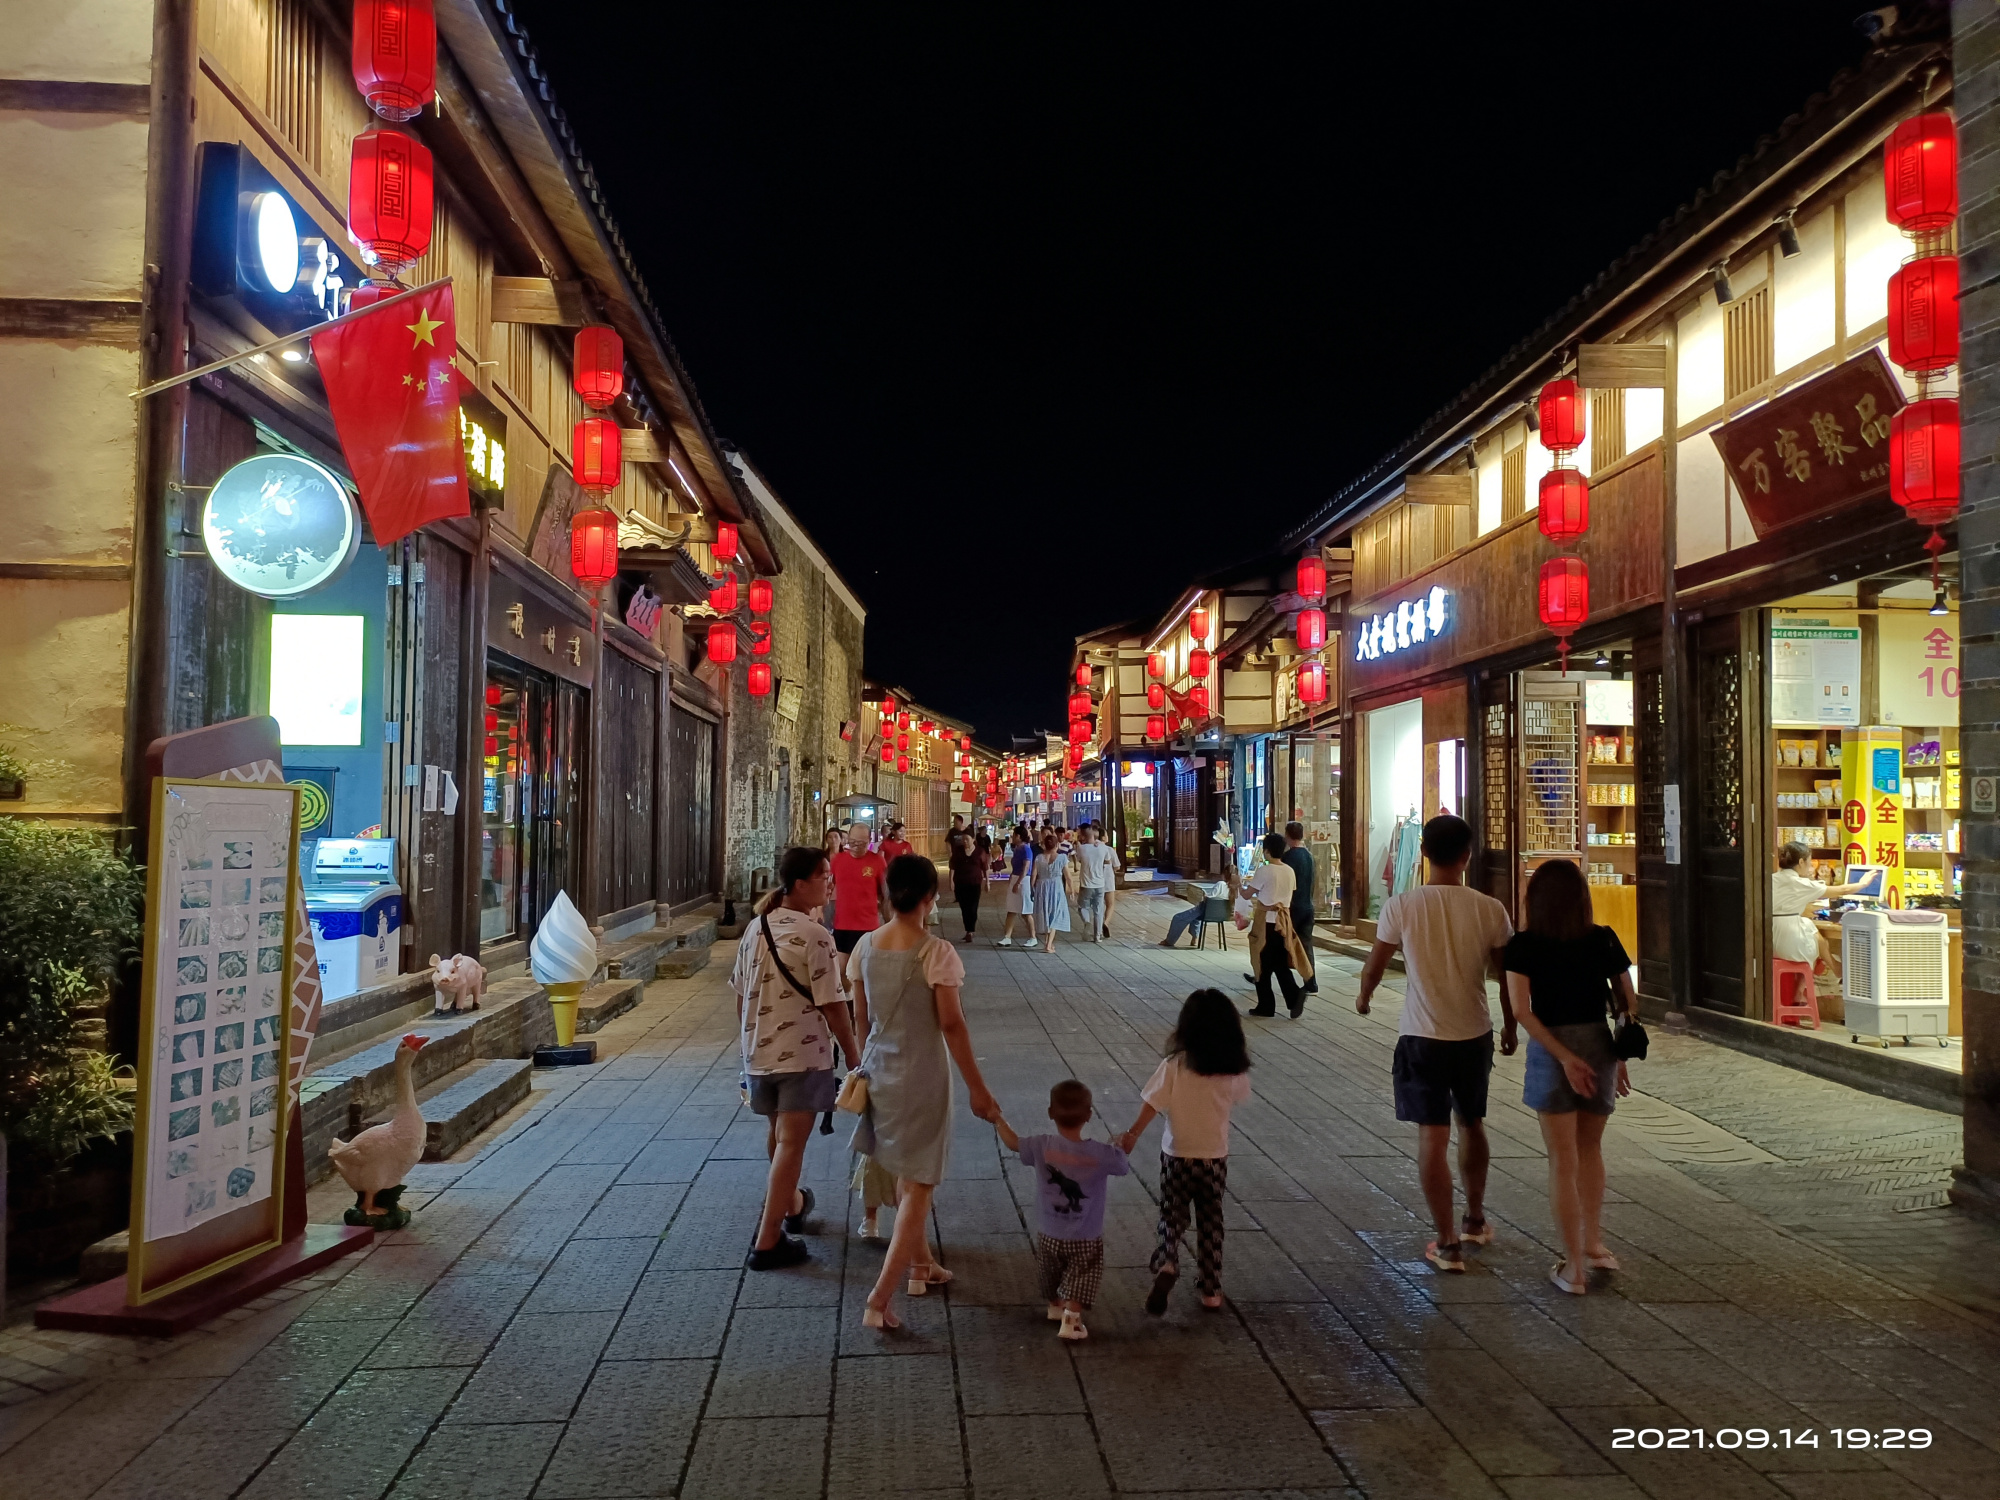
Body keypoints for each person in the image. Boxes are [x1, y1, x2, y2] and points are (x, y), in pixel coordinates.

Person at [1354, 814, 1516, 1273]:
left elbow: (1375, 964)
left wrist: (1364, 998)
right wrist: (1509, 1026)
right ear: (1467, 857)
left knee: (1432, 1135)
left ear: (1422, 853)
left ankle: (1447, 1244)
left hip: (1421, 1036)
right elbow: (1505, 978)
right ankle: (1475, 1218)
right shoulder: (1490, 910)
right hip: (1474, 1034)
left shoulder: (1402, 906)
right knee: (1472, 1123)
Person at [848, 854, 1001, 1329]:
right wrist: (979, 1089)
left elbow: (860, 1019)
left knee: (900, 1172)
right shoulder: (937, 953)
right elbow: (952, 1026)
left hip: (878, 1072)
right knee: (919, 1186)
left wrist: (860, 1064)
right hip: (922, 1077)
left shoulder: (865, 947)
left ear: (887, 894)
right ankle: (879, 1298)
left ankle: (922, 1263)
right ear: (930, 899)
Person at [1504, 858, 1639, 1295]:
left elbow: (1522, 1010)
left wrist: (1562, 1057)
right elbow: (1626, 1000)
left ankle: (1574, 1268)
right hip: (1598, 1045)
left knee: (1562, 1159)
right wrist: (1616, 1058)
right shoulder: (1601, 939)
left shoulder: (1523, 945)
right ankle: (1596, 1243)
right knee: (1591, 1148)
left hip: (1550, 1050)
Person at [732, 846, 862, 1270]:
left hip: (758, 1053)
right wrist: (855, 1056)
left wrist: (748, 1041)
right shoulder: (814, 935)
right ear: (800, 884)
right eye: (824, 876)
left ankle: (792, 1205)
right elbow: (833, 1003)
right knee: (791, 1143)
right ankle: (768, 1240)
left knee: (778, 1136)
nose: (830, 883)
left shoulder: (756, 927)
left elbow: (740, 992)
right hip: (802, 1053)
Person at [1119, 989, 1252, 1314]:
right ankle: (1211, 1290)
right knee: (1211, 1222)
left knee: (1172, 1215)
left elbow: (1152, 1102)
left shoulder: (1175, 1065)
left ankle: (1167, 1260)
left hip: (1177, 1156)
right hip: (1214, 1158)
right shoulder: (1233, 1069)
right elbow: (1240, 1097)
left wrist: (1133, 1133)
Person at [991, 1080, 1130, 1341]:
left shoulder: (1041, 1146)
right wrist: (1120, 1145)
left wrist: (997, 1118)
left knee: (1050, 1272)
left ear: (1050, 1112)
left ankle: (1055, 1305)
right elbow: (1122, 1165)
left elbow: (1013, 1143)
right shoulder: (1101, 1154)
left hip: (1049, 1231)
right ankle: (1071, 1320)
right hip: (1085, 1235)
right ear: (1089, 1116)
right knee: (1082, 1275)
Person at [1243, 832, 1312, 1017]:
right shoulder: (1289, 870)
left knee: (1262, 963)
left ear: (1266, 851)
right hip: (1284, 922)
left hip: (1266, 922)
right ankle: (1293, 996)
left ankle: (1267, 1005)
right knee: (1279, 963)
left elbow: (1247, 894)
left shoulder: (1264, 870)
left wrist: (1236, 886)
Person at [1771, 841, 1869, 971]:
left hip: (1770, 943)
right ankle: (1832, 968)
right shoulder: (1801, 883)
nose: (1811, 866)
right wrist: (1863, 883)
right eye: (1809, 861)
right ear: (1801, 862)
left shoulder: (1771, 878)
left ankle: (1828, 970)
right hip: (1791, 945)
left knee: (1808, 925)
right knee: (1816, 935)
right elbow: (1842, 890)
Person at [831, 821, 889, 956]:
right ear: (848, 839)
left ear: (869, 840)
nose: (856, 847)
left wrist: (888, 920)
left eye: (862, 843)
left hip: (868, 924)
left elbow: (885, 893)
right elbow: (828, 887)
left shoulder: (877, 861)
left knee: (865, 966)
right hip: (842, 923)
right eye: (853, 842)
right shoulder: (837, 860)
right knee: (842, 967)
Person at [1281, 822, 1318, 994]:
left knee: (1281, 943)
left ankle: (1262, 974)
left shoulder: (1288, 858)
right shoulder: (1309, 856)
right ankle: (1311, 981)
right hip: (1308, 906)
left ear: (1288, 835)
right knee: (1306, 944)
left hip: (1293, 907)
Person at [1159, 871, 1233, 948]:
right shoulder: (1234, 888)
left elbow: (1211, 897)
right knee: (1195, 918)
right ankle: (1195, 937)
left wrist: (1205, 895)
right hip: (1221, 914)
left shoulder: (1221, 884)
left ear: (1224, 875)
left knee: (1178, 918)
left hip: (1207, 911)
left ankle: (1169, 941)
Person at [1073, 825, 1117, 945]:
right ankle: (1097, 937)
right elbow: (1108, 861)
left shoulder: (1081, 849)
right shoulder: (1103, 848)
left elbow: (1079, 860)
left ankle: (1087, 921)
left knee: (1082, 907)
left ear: (1084, 836)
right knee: (1098, 910)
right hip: (1100, 884)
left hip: (1086, 884)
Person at [1032, 831, 1073, 954]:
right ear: (1056, 845)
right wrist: (1072, 890)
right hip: (1056, 887)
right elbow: (1068, 876)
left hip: (1041, 886)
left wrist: (1032, 889)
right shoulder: (1061, 858)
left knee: (1045, 913)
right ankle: (1048, 945)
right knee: (1055, 914)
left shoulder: (1039, 858)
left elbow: (1033, 875)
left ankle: (1047, 942)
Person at [998, 826, 1037, 947]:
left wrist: (1018, 882)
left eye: (1014, 835)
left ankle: (1033, 937)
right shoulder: (1018, 849)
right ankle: (1007, 937)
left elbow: (1026, 867)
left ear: (1019, 836)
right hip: (1016, 878)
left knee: (1026, 911)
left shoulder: (1026, 849)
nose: (1012, 837)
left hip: (1023, 880)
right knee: (1011, 909)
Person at [947, 831, 988, 944]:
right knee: (964, 908)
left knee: (973, 907)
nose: (965, 841)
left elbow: (985, 867)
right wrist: (951, 881)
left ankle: (971, 930)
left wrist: (987, 882)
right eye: (963, 839)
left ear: (973, 839)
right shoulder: (958, 850)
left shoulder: (980, 851)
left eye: (967, 839)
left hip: (975, 883)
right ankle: (968, 929)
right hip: (960, 882)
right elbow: (952, 866)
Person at [819, 828, 844, 931]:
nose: (833, 840)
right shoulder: (822, 857)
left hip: (843, 894)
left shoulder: (846, 857)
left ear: (841, 839)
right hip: (827, 893)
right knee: (827, 921)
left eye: (835, 837)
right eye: (830, 837)